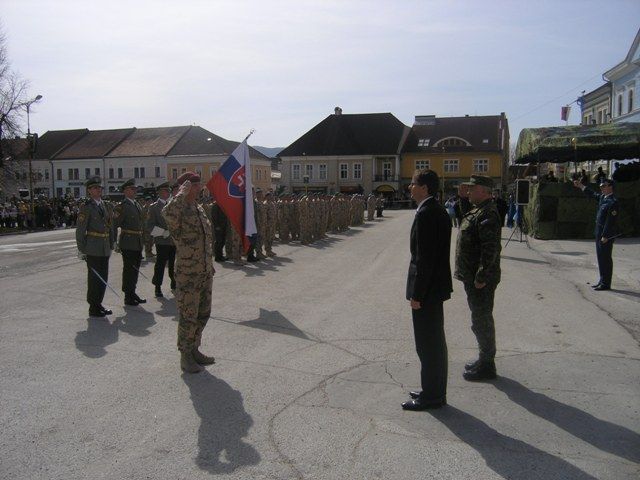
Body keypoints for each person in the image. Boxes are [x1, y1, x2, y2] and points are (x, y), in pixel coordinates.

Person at [402, 169, 452, 411]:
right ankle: (434, 390)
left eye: (413, 184)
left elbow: (425, 259)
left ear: (424, 188)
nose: (410, 188)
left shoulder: (427, 214)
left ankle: (432, 396)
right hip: (435, 288)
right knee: (434, 342)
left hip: (427, 291)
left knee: (427, 344)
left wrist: (417, 295)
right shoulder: (436, 210)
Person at [162, 172, 216, 373]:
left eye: (198, 184)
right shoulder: (179, 208)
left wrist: (209, 264)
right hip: (188, 273)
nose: (199, 188)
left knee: (203, 313)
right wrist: (180, 194)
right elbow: (167, 213)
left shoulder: (198, 208)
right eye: (194, 185)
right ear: (185, 187)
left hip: (204, 271)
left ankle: (194, 349)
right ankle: (185, 356)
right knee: (188, 315)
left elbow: (205, 240)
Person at [454, 175, 502, 382]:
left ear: (483, 190)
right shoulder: (479, 210)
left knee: (482, 320)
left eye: (472, 189)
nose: (468, 191)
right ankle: (484, 358)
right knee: (479, 318)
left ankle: (487, 365)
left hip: (480, 278)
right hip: (472, 275)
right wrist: (462, 199)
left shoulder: (488, 213)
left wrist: (481, 276)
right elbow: (466, 219)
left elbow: (490, 248)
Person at [75, 176, 115, 317]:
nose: (98, 190)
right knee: (94, 278)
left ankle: (99, 303)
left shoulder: (105, 205)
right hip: (92, 247)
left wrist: (112, 243)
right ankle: (93, 306)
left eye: (99, 188)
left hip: (104, 247)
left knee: (103, 277)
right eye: (95, 188)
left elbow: (110, 226)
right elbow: (80, 230)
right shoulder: (86, 207)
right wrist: (81, 249)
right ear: (89, 191)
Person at [572, 178, 619, 290]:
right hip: (599, 233)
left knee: (605, 258)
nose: (601, 188)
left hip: (605, 235)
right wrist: (581, 186)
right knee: (600, 258)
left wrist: (605, 235)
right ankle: (602, 280)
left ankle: (606, 283)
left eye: (604, 186)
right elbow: (593, 194)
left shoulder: (613, 202)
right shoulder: (603, 198)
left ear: (610, 187)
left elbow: (610, 221)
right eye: (601, 186)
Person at [113, 179, 147, 306]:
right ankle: (128, 295)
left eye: (135, 189)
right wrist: (114, 241)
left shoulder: (136, 204)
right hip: (128, 242)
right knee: (129, 269)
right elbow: (114, 225)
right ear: (125, 191)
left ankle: (132, 291)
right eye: (132, 189)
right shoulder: (122, 207)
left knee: (135, 269)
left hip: (137, 241)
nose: (135, 191)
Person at [147, 181, 176, 297]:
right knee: (160, 264)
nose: (168, 193)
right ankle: (157, 286)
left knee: (173, 264)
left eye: (169, 191)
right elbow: (150, 226)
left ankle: (174, 282)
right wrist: (163, 232)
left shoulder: (172, 205)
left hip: (173, 241)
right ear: (159, 192)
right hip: (162, 241)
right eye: (165, 191)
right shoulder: (154, 208)